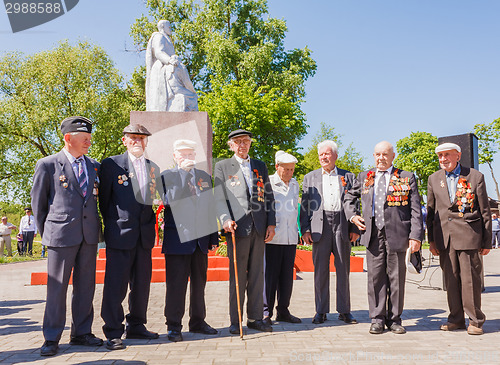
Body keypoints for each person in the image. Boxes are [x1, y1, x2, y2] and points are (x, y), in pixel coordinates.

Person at [31, 116, 103, 356]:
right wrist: (49, 233)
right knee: (57, 288)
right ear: (67, 138)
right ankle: (51, 337)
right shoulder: (48, 164)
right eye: (84, 139)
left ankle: (81, 333)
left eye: (90, 139)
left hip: (89, 236)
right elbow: (39, 205)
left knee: (86, 287)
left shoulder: (94, 166)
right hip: (60, 236)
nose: (88, 143)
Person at [344, 141, 423, 335]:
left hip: (398, 234)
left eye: (385, 155)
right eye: (377, 154)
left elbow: (416, 210)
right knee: (375, 278)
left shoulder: (406, 177)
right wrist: (352, 216)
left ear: (393, 156)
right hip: (373, 235)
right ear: (373, 156)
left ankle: (394, 319)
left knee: (396, 279)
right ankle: (377, 319)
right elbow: (348, 198)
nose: (381, 158)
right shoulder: (365, 177)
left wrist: (416, 236)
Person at [99, 124, 161, 351]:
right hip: (120, 234)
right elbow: (104, 201)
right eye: (133, 138)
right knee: (116, 285)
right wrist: (115, 225)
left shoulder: (152, 167)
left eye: (142, 139)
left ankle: (136, 325)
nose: (138, 142)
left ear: (146, 142)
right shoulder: (111, 164)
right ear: (124, 141)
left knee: (142, 284)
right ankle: (113, 331)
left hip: (144, 236)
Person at [214, 129, 276, 335]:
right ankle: (236, 320)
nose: (243, 145)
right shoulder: (223, 166)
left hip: (259, 227)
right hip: (237, 228)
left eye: (246, 141)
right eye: (238, 142)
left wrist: (271, 223)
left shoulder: (260, 166)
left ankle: (255, 318)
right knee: (238, 276)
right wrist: (225, 219)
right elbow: (219, 198)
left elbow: (269, 197)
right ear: (231, 145)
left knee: (258, 274)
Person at [427, 142, 491, 335]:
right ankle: (456, 319)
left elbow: (484, 210)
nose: (443, 159)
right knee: (451, 280)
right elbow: (431, 213)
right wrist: (431, 241)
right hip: (444, 238)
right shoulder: (433, 179)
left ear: (458, 155)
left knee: (470, 281)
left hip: (469, 236)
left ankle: (475, 321)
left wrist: (486, 241)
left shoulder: (475, 176)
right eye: (440, 156)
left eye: (447, 155)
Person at [161, 139, 219, 342]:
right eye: (183, 154)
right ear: (175, 156)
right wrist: (184, 176)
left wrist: (213, 236)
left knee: (199, 284)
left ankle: (198, 321)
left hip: (200, 240)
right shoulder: (167, 176)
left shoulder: (204, 177)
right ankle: (174, 325)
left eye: (190, 154)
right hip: (178, 239)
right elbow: (170, 201)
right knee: (176, 285)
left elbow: (209, 206)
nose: (187, 158)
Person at [300, 140, 359, 325]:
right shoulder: (310, 177)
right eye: (321, 154)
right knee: (320, 271)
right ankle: (321, 311)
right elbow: (305, 206)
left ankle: (344, 311)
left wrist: (354, 228)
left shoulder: (348, 177)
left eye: (327, 154)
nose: (323, 157)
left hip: (341, 222)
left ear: (335, 155)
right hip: (320, 225)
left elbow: (354, 202)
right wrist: (305, 229)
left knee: (343, 269)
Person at [263, 151, 301, 325]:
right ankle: (266, 312)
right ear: (277, 166)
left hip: (290, 238)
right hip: (273, 238)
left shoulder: (295, 185)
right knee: (270, 277)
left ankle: (283, 311)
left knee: (286, 278)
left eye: (292, 169)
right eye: (286, 169)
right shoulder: (268, 183)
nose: (289, 173)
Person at [145, 19, 198, 112]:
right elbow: (158, 52)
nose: (170, 28)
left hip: (169, 67)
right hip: (161, 68)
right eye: (168, 26)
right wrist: (169, 60)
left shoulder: (167, 38)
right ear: (162, 27)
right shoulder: (159, 36)